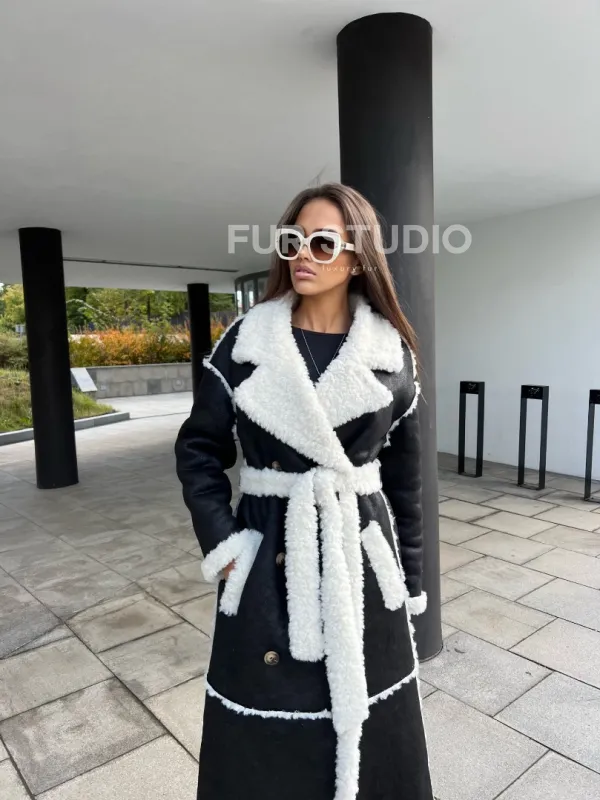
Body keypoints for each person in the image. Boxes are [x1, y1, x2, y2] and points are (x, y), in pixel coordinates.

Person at [175, 182, 434, 800]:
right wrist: (227, 546)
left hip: (359, 562)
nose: (302, 255)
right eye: (293, 240)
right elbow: (198, 451)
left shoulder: (389, 353)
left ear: (358, 257)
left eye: (322, 243)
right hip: (269, 558)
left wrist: (408, 578)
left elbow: (405, 483)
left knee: (370, 727)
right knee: (268, 731)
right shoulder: (246, 343)